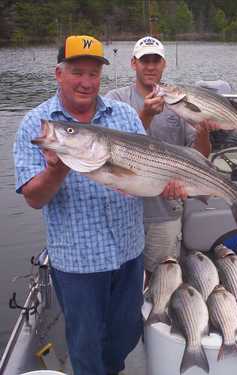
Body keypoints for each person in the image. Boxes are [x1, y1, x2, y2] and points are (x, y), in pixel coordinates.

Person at [13, 35, 155, 375]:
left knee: (127, 333)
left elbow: (147, 171)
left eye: (94, 74)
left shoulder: (124, 115)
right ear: (58, 74)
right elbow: (34, 198)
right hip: (78, 261)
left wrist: (170, 185)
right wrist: (55, 170)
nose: (86, 82)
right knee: (85, 345)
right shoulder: (38, 124)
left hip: (128, 251)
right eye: (77, 72)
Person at [106, 36, 217, 284]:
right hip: (122, 213)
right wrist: (145, 114)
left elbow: (200, 155)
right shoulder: (115, 99)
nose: (150, 66)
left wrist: (203, 133)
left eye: (156, 60)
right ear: (133, 63)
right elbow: (113, 146)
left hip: (165, 211)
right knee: (123, 282)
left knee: (161, 279)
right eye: (145, 60)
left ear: (164, 64)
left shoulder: (180, 103)